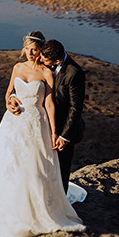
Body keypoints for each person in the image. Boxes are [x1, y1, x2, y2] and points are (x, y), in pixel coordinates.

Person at [0, 33, 84, 237]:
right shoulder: (17, 68)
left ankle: (35, 210)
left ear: (41, 51)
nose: (30, 52)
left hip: (37, 122)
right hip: (13, 123)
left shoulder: (47, 72)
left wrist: (55, 132)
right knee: (7, 163)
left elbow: (50, 103)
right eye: (27, 48)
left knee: (33, 167)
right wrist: (9, 102)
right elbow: (9, 92)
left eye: (34, 49)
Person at [39, 39, 86, 192]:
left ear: (57, 60)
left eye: (44, 60)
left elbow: (75, 108)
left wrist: (64, 136)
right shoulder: (43, 63)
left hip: (63, 128)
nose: (41, 61)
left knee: (62, 169)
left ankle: (61, 203)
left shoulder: (74, 73)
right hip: (42, 125)